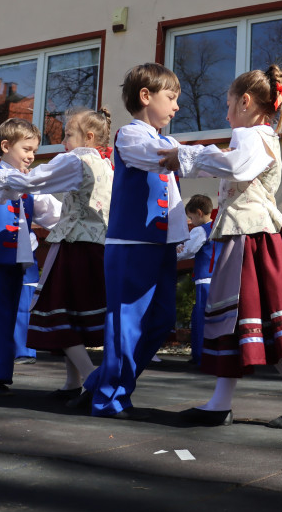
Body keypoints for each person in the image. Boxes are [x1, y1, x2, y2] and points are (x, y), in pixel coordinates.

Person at [161, 65, 282, 429]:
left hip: (253, 239)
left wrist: (186, 155)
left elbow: (236, 166)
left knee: (257, 316)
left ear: (245, 102)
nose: (226, 114)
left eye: (228, 105)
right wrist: (193, 159)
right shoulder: (259, 136)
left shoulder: (251, 135)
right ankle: (221, 402)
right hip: (249, 236)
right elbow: (231, 165)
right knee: (235, 321)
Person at [65, 64, 189, 419]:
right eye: (171, 98)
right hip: (132, 243)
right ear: (145, 96)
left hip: (161, 244)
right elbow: (161, 160)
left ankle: (100, 383)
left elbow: (173, 176)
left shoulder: (166, 141)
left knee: (161, 320)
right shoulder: (131, 136)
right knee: (127, 323)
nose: (176, 106)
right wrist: (210, 157)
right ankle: (109, 397)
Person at [0, 107, 113, 400]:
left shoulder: (75, 160)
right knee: (64, 313)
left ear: (89, 137)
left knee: (57, 312)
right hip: (88, 246)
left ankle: (87, 379)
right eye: (26, 149)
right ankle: (67, 383)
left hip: (67, 248)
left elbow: (42, 195)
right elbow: (48, 207)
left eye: (68, 134)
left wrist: (10, 181)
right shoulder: (106, 166)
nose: (63, 142)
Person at [0, 118, 63, 396]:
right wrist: (28, 181)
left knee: (8, 317)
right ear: (5, 146)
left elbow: (52, 213)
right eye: (26, 149)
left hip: (17, 260)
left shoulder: (28, 182)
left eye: (34, 151)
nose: (31, 156)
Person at [176, 194, 221, 366]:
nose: (191, 221)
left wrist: (174, 252)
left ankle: (201, 355)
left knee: (201, 317)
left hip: (204, 280)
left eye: (191, 217)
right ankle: (216, 354)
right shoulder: (218, 227)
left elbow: (188, 251)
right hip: (220, 278)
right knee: (218, 317)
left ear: (199, 213)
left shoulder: (200, 231)